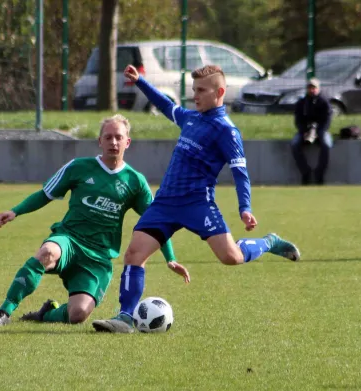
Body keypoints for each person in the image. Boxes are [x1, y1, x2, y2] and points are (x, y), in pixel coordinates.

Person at [92, 64, 301, 334]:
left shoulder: (227, 131)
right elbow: (166, 105)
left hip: (197, 204)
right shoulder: (191, 118)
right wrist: (141, 82)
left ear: (220, 92)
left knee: (231, 257)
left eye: (201, 90)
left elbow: (240, 172)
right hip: (166, 202)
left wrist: (245, 207)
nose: (195, 96)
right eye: (194, 90)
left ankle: (269, 242)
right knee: (134, 254)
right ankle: (125, 317)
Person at [0, 114, 190, 326]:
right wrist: (15, 211)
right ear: (99, 141)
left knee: (78, 314)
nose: (113, 142)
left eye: (119, 137)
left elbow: (155, 222)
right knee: (47, 253)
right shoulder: (78, 167)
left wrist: (170, 258)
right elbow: (45, 194)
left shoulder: (135, 181)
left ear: (127, 142)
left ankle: (46, 314)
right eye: (108, 137)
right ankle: (4, 312)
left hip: (99, 258)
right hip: (69, 240)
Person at [291, 77, 333, 185]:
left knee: (327, 144)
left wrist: (319, 132)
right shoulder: (302, 103)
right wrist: (304, 131)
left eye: (314, 88)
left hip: (321, 130)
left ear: (318, 89)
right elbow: (298, 120)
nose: (312, 90)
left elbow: (327, 120)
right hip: (305, 130)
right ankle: (306, 172)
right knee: (295, 144)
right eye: (310, 88)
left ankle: (319, 173)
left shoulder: (324, 102)